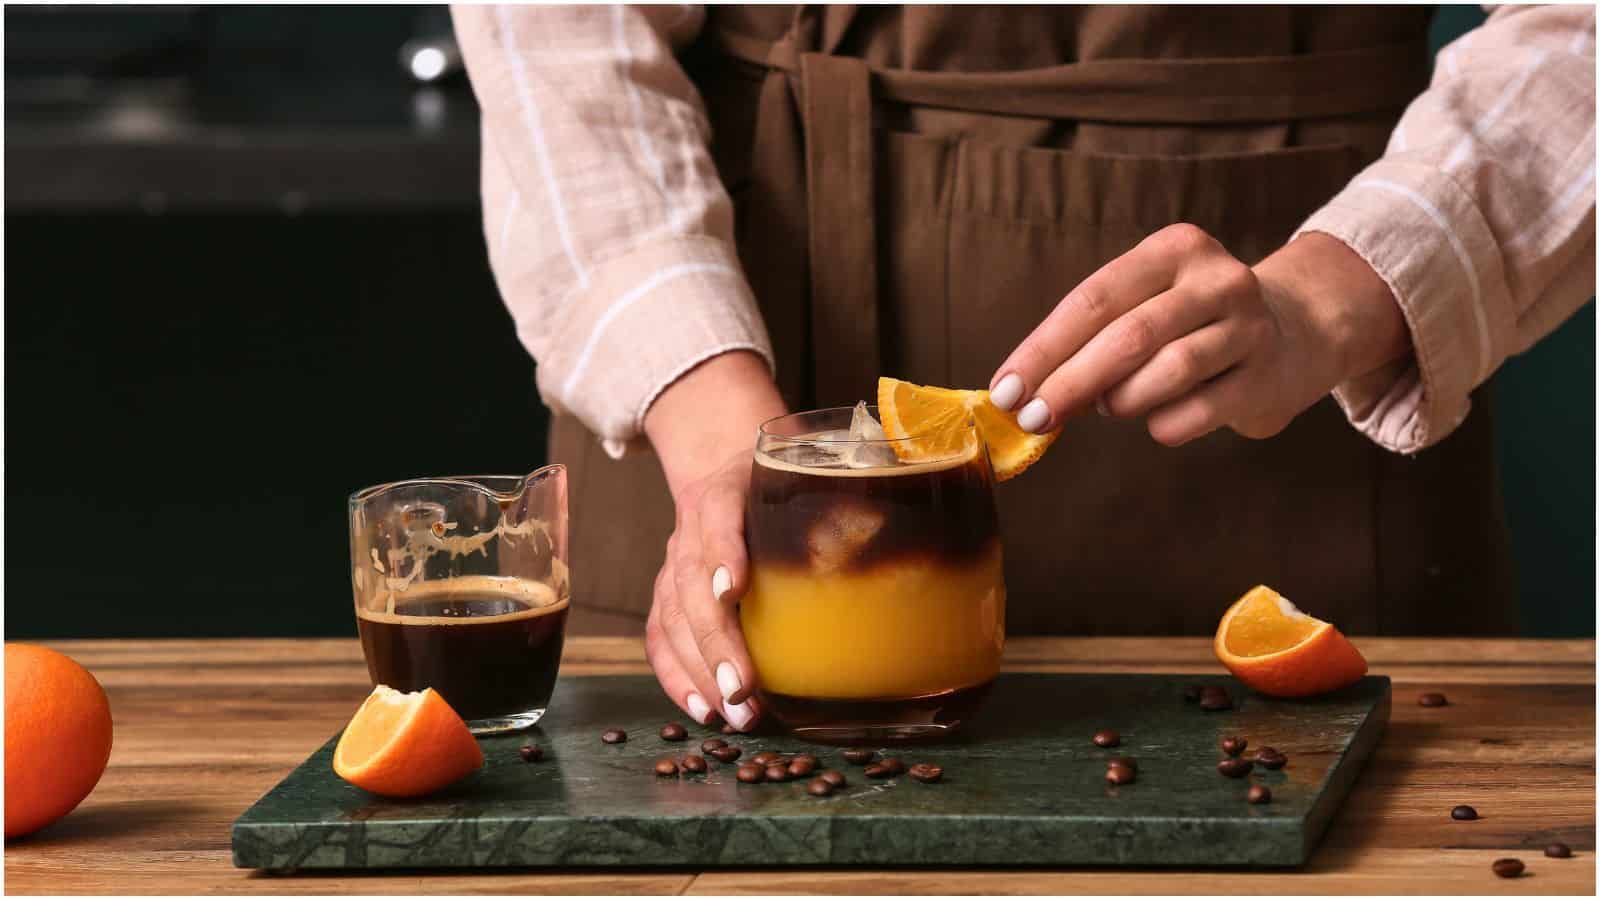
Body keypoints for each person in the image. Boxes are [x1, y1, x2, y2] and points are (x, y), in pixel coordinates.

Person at [454, 5, 1595, 731]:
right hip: (710, 412)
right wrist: (716, 446)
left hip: (1297, 425)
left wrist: (1328, 296)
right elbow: (556, 40)